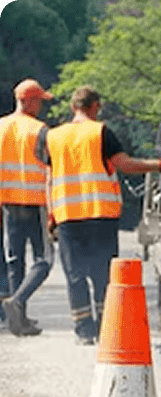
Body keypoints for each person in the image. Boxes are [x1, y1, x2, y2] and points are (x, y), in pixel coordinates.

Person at [35, 85, 161, 345]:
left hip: (67, 215)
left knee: (75, 274)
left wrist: (51, 214)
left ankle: (84, 331)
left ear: (73, 107)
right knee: (102, 273)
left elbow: (49, 179)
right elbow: (125, 165)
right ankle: (104, 327)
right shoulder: (101, 132)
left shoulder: (53, 136)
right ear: (95, 106)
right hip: (100, 214)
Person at [0, 78, 55, 336]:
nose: (41, 106)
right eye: (40, 101)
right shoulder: (39, 130)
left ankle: (17, 321)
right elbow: (52, 169)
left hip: (7, 204)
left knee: (15, 261)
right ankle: (18, 302)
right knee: (44, 259)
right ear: (30, 101)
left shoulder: (1, 126)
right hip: (35, 203)